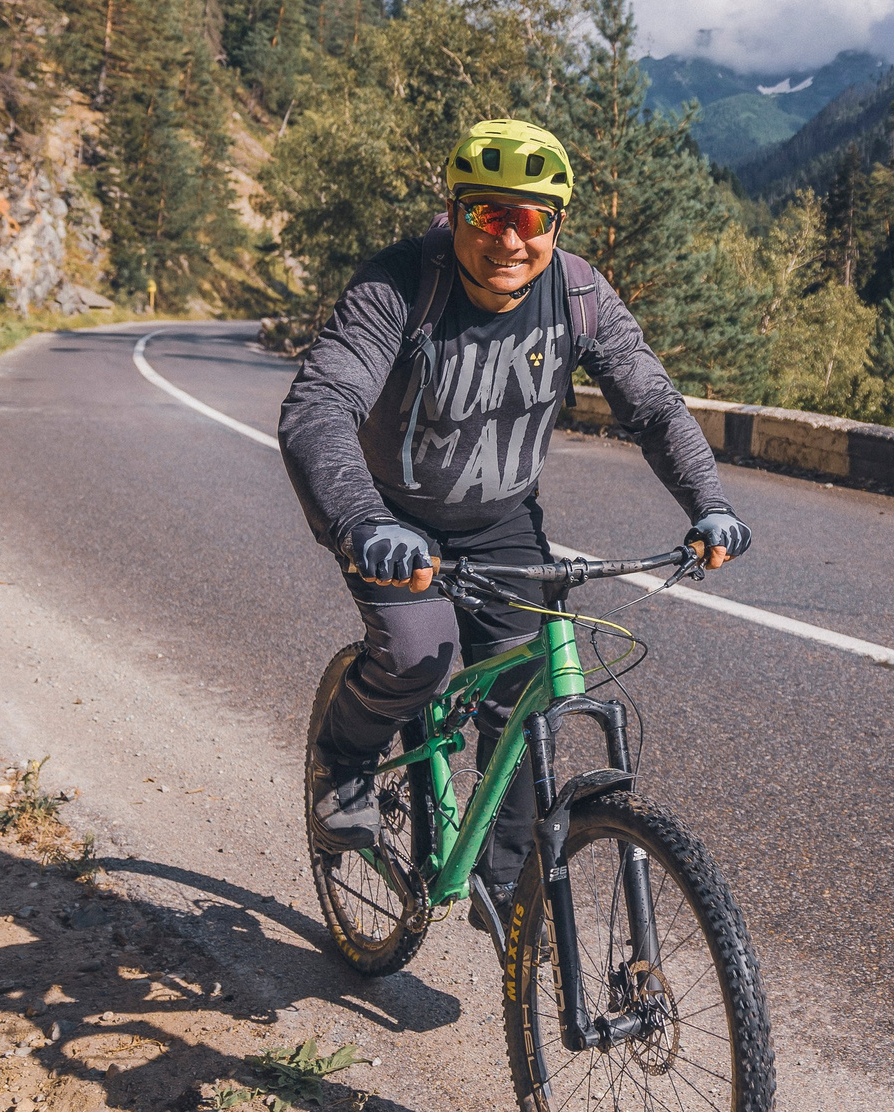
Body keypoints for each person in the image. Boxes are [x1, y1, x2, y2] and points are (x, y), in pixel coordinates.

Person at [277, 116, 748, 928]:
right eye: (487, 213)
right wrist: (360, 521)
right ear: (454, 211)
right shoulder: (400, 285)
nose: (508, 238)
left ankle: (505, 893)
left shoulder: (579, 294)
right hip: (392, 518)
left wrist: (710, 503)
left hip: (502, 522)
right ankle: (343, 758)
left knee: (529, 699)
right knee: (418, 655)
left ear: (555, 225)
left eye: (528, 218)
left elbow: (653, 404)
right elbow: (319, 406)